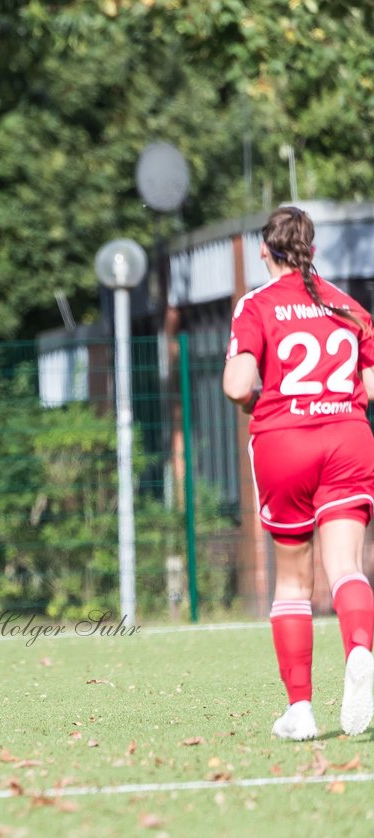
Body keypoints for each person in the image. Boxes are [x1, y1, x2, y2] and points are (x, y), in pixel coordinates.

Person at [223, 205, 374, 741]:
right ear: (312, 251)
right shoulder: (349, 307)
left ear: (265, 250)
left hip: (285, 442)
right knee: (346, 567)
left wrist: (269, 397)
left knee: (291, 580)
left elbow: (239, 385)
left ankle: (301, 710)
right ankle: (360, 649)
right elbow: (370, 385)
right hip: (348, 439)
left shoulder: (257, 305)